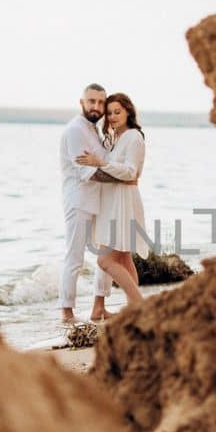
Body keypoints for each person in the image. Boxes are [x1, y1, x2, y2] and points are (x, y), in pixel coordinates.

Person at [75, 91, 148, 307]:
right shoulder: (117, 138)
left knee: (104, 259)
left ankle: (139, 304)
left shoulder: (134, 137)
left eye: (117, 112)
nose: (113, 117)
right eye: (109, 113)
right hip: (115, 203)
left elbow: (130, 172)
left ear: (128, 112)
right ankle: (134, 308)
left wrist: (100, 163)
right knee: (124, 259)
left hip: (124, 203)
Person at [58, 83, 118, 323]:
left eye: (101, 102)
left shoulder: (96, 130)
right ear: (81, 103)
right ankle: (66, 312)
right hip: (79, 201)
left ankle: (98, 307)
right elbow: (89, 172)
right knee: (75, 257)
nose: (96, 106)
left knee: (107, 253)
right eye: (91, 101)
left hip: (98, 201)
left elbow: (101, 162)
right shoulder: (75, 130)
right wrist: (121, 174)